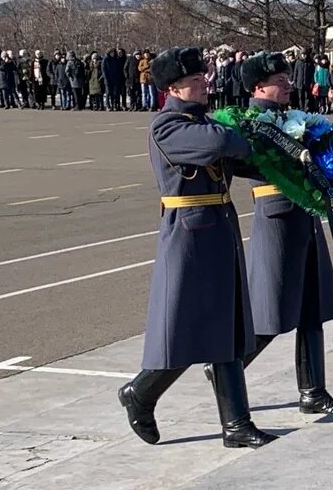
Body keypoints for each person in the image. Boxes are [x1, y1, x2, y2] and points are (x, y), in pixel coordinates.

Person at [116, 46, 276, 449]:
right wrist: (239, 136)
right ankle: (141, 393)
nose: (205, 84)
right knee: (185, 329)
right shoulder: (168, 126)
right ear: (173, 87)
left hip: (218, 230)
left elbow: (242, 154)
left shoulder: (201, 121)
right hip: (188, 236)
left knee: (227, 328)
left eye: (204, 78)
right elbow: (223, 143)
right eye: (195, 81)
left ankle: (237, 425)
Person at [231, 51, 333, 414]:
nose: (288, 85)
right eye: (280, 81)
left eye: (287, 79)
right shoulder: (248, 122)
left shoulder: (292, 117)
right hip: (277, 215)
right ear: (258, 86)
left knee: (313, 306)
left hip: (305, 213)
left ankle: (313, 391)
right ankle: (228, 369)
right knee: (273, 309)